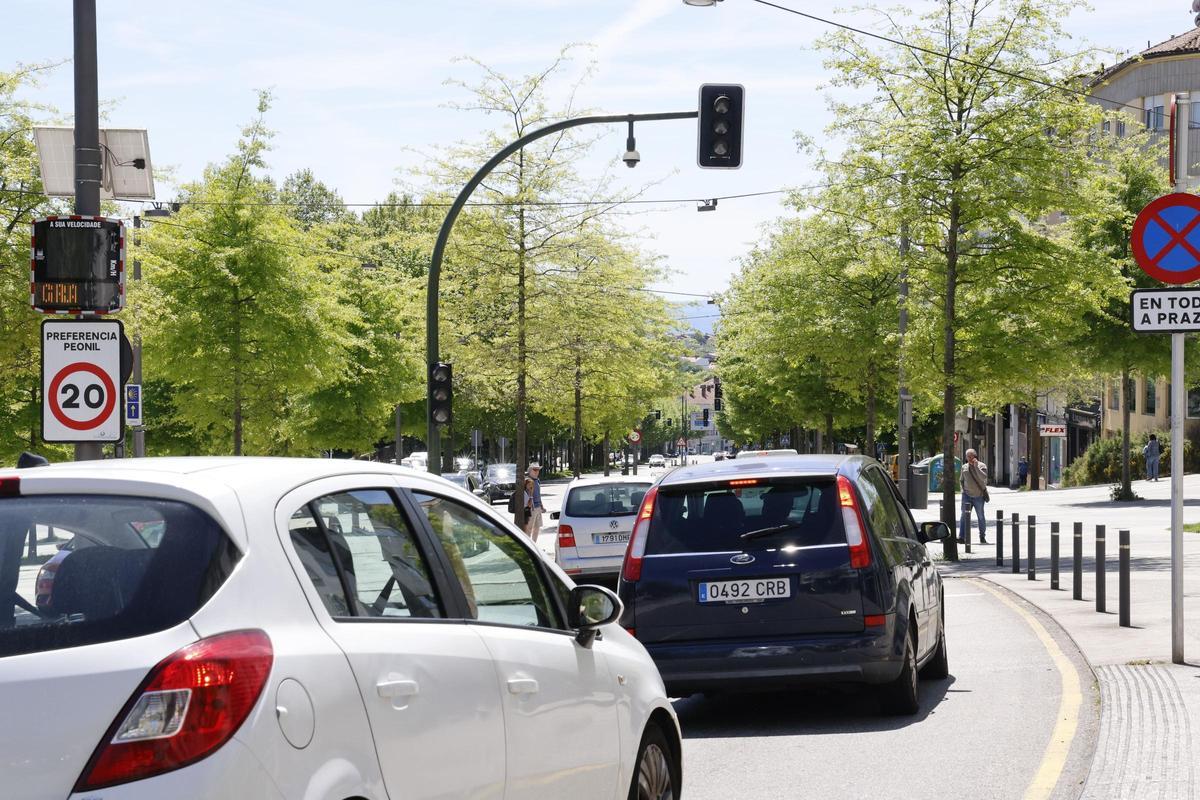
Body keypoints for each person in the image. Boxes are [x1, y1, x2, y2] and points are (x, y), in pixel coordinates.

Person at [959, 448, 989, 545]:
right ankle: (961, 537)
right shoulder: (964, 467)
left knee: (980, 516)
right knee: (964, 515)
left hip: (979, 496)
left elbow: (983, 477)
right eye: (968, 456)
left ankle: (982, 536)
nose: (970, 458)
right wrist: (963, 490)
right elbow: (961, 480)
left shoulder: (982, 466)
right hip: (966, 495)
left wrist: (976, 467)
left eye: (972, 456)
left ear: (975, 456)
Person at [526, 464, 547, 541]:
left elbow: (538, 495)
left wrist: (542, 506)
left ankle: (534, 544)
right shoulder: (527, 481)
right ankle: (527, 544)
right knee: (529, 528)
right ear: (530, 471)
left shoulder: (537, 480)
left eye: (538, 470)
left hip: (538, 507)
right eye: (535, 470)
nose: (537, 471)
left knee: (537, 528)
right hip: (532, 508)